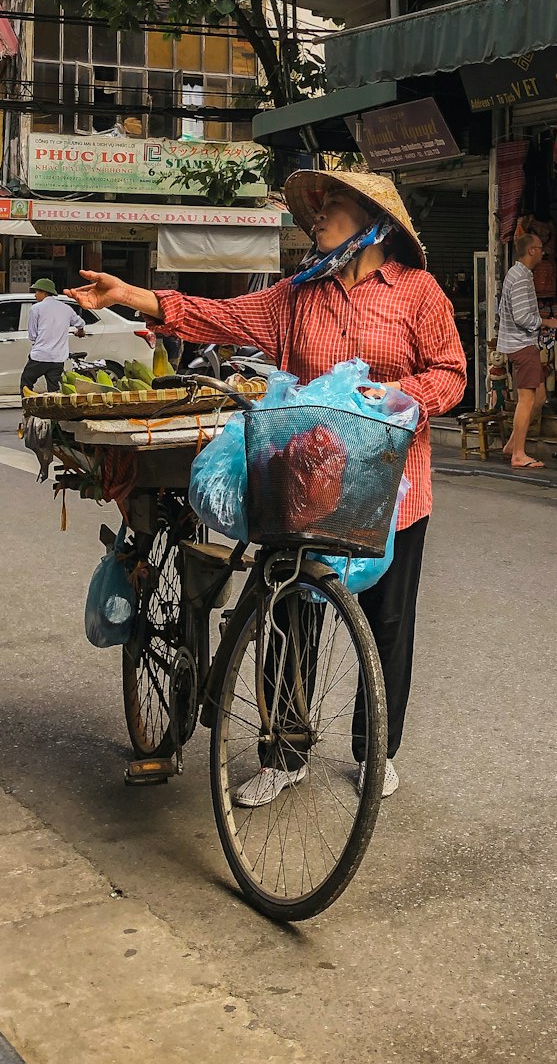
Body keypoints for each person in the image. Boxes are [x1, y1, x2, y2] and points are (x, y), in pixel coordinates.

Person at [67, 170, 467, 804]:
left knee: (388, 626)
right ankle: (284, 751)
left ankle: (375, 752)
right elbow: (220, 316)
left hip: (395, 487)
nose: (317, 224)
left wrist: (403, 396)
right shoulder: (300, 294)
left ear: (370, 225)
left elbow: (451, 372)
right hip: (306, 483)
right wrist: (133, 296)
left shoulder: (419, 294)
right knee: (287, 615)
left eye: (331, 212)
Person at [497, 233, 557, 469]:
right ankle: (519, 455)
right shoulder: (521, 277)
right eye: (540, 248)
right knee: (526, 400)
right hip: (522, 346)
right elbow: (522, 317)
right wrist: (546, 322)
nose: (543, 252)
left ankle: (513, 445)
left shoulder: (518, 274)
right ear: (531, 250)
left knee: (540, 398)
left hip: (522, 344)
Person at [20, 278, 85, 394]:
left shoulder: (36, 308)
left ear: (44, 292)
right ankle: (54, 411)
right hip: (58, 358)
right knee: (54, 389)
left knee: (26, 383)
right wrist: (80, 332)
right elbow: (80, 324)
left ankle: (28, 409)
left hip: (40, 356)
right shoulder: (66, 308)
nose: (35, 295)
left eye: (37, 292)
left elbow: (32, 335)